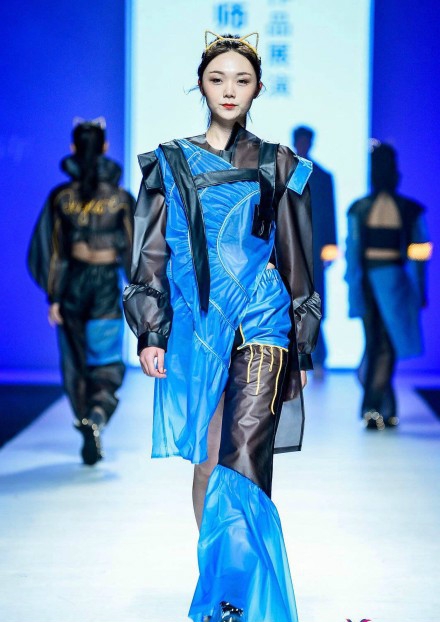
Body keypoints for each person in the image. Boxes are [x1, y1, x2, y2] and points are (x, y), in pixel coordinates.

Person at [124, 32, 321, 622]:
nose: (229, 90)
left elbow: (297, 260)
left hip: (263, 322)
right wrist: (151, 330)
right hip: (197, 325)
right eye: (217, 79)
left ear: (258, 88)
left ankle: (237, 596)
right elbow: (151, 252)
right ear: (201, 86)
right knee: (209, 461)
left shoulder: (281, 165)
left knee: (245, 455)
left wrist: (302, 346)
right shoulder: (168, 163)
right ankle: (219, 582)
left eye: (242, 80)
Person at [28, 119, 135, 465]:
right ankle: (97, 414)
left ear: (73, 148)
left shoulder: (61, 198)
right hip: (105, 286)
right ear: (105, 148)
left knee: (74, 361)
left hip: (72, 284)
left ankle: (84, 417)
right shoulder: (120, 199)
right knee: (105, 357)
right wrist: (142, 295)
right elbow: (136, 251)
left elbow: (51, 250)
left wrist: (54, 296)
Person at [345, 142, 431, 430]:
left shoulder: (359, 208)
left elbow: (353, 252)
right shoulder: (409, 209)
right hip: (393, 282)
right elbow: (419, 253)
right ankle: (373, 407)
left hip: (368, 282)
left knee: (376, 344)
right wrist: (420, 288)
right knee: (386, 346)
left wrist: (354, 286)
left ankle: (383, 407)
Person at [293, 125, 338, 375]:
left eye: (305, 142)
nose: (303, 146)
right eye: (300, 141)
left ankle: (318, 357)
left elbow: (329, 214)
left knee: (316, 300)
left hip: (315, 248)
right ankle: (296, 356)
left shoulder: (322, 176)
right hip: (291, 248)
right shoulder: (286, 174)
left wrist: (330, 249)